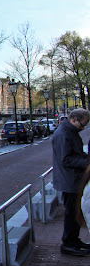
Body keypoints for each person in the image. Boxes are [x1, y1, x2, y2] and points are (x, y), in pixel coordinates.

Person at [52, 108, 90, 256]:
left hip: (72, 179)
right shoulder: (63, 134)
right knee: (71, 213)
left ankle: (74, 240)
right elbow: (66, 159)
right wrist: (86, 163)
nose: (83, 128)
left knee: (75, 212)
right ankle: (68, 243)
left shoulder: (69, 132)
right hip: (69, 180)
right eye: (82, 125)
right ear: (74, 120)